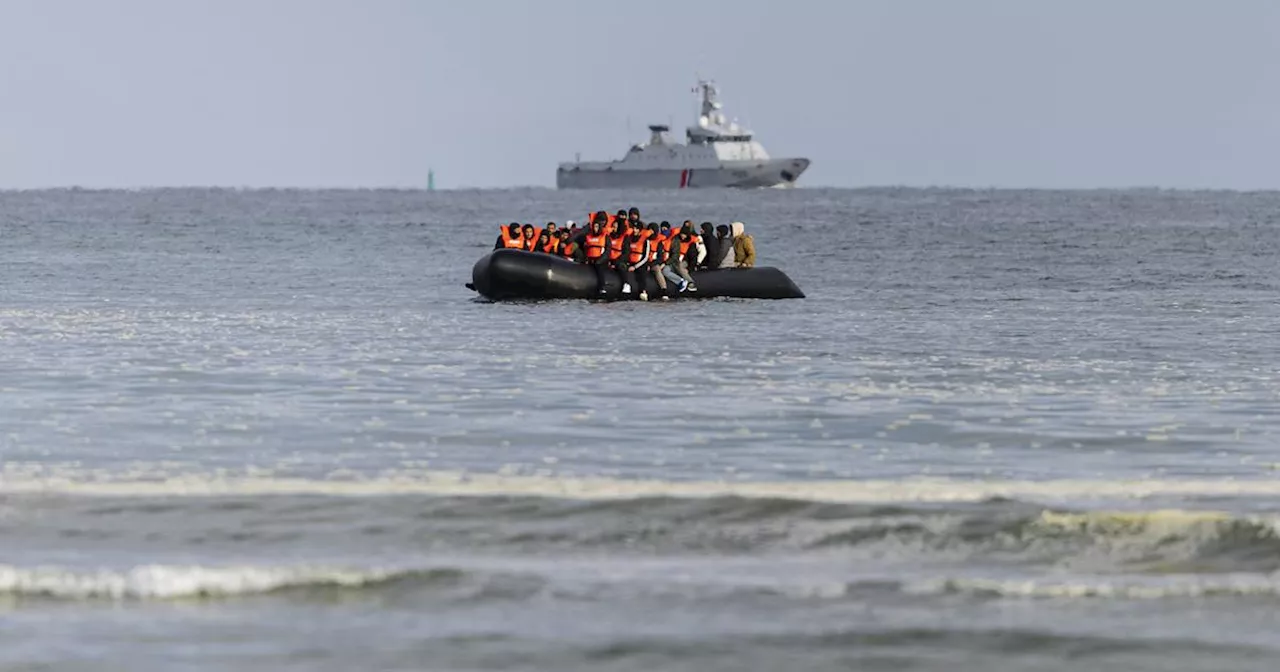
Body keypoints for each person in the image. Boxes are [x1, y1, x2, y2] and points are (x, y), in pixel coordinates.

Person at [663, 226, 698, 292]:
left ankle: (690, 282)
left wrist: (691, 268)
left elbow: (693, 257)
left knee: (680, 266)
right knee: (665, 271)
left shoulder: (691, 243)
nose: (683, 236)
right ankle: (680, 281)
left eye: (684, 234)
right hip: (673, 261)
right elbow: (674, 254)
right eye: (682, 234)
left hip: (685, 261)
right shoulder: (675, 240)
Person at [582, 215, 611, 294]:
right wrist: (586, 259)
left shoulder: (605, 237)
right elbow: (586, 249)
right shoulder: (588, 237)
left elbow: (607, 251)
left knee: (599, 268)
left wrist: (600, 260)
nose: (595, 228)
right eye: (594, 226)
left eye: (597, 227)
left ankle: (602, 287)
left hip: (601, 260)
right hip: (591, 259)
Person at [622, 224, 651, 300]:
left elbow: (646, 257)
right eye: (634, 228)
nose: (634, 230)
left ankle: (643, 292)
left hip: (641, 263)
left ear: (640, 230)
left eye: (637, 229)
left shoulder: (646, 241)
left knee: (642, 274)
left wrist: (635, 267)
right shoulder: (629, 239)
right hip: (630, 262)